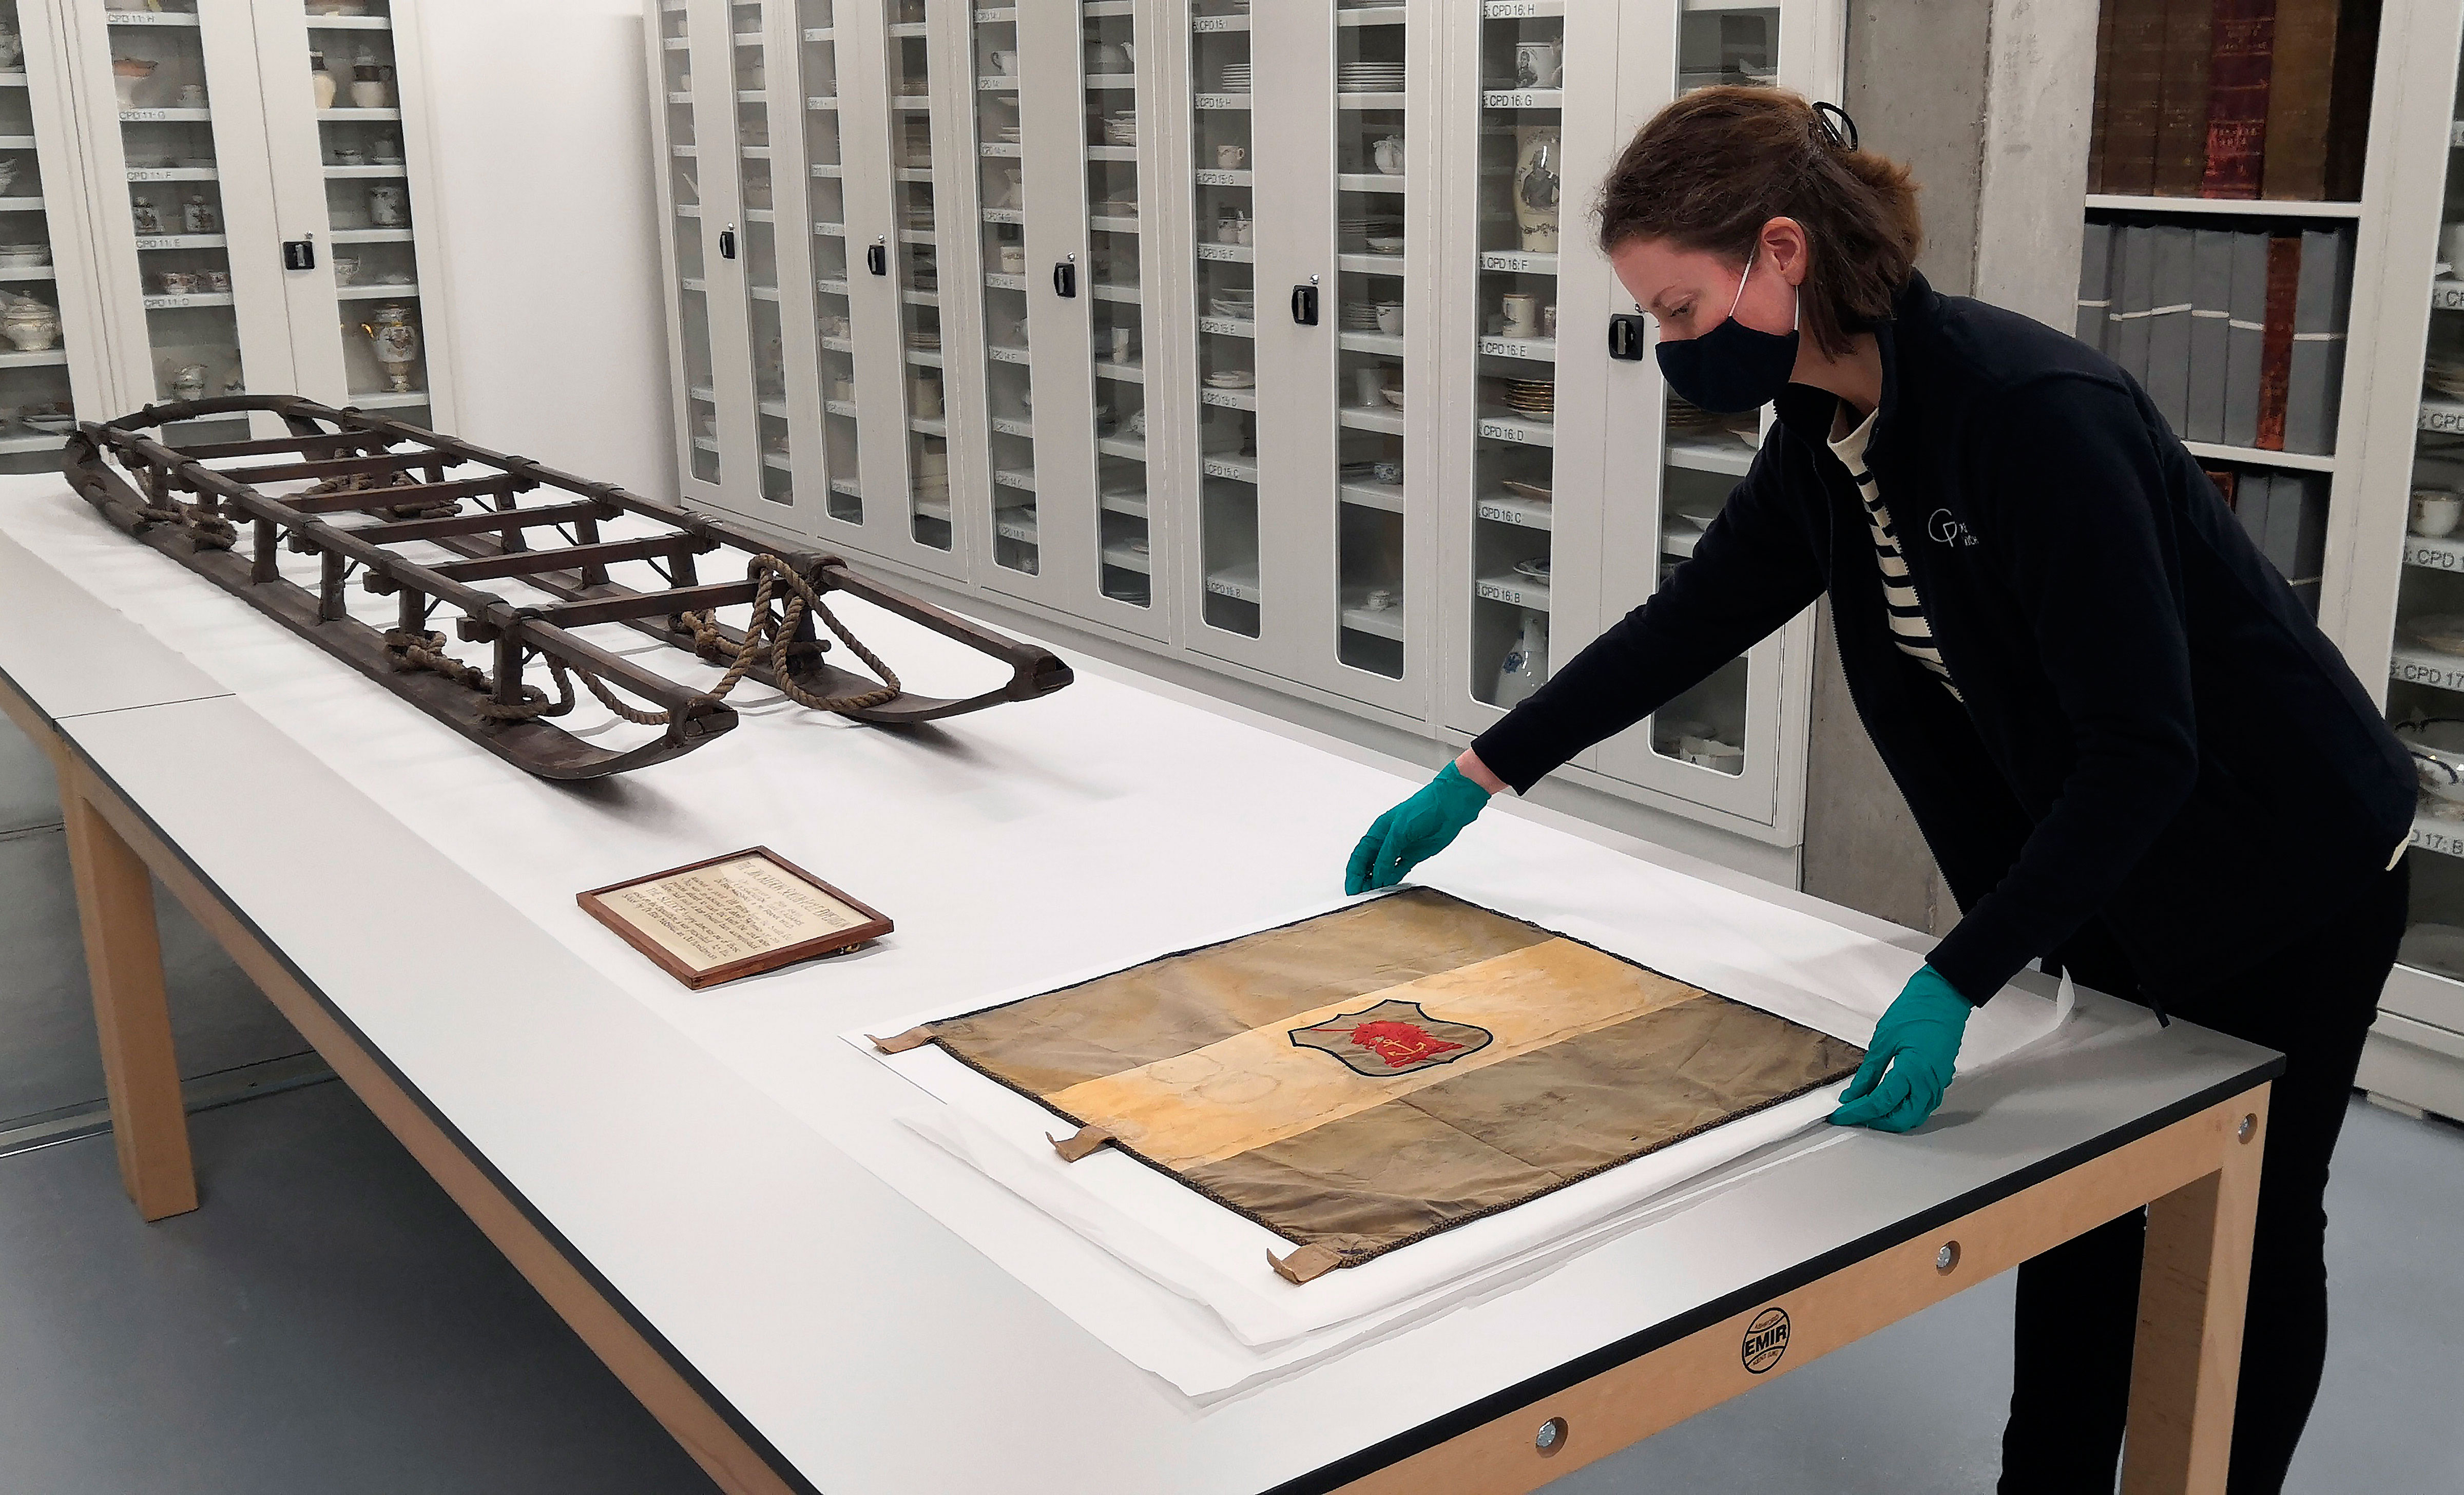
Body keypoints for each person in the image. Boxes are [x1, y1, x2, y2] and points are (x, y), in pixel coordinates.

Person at [1343, 88, 2414, 1494]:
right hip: (2113, 860)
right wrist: (1482, 773)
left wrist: (1963, 973)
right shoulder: (1824, 436)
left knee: (2256, 1225)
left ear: (1778, 255)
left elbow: (2145, 748)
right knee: (2089, 1208)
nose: (1668, 345)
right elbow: (1691, 621)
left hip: (2291, 865)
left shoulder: (2031, 418)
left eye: (1676, 308)